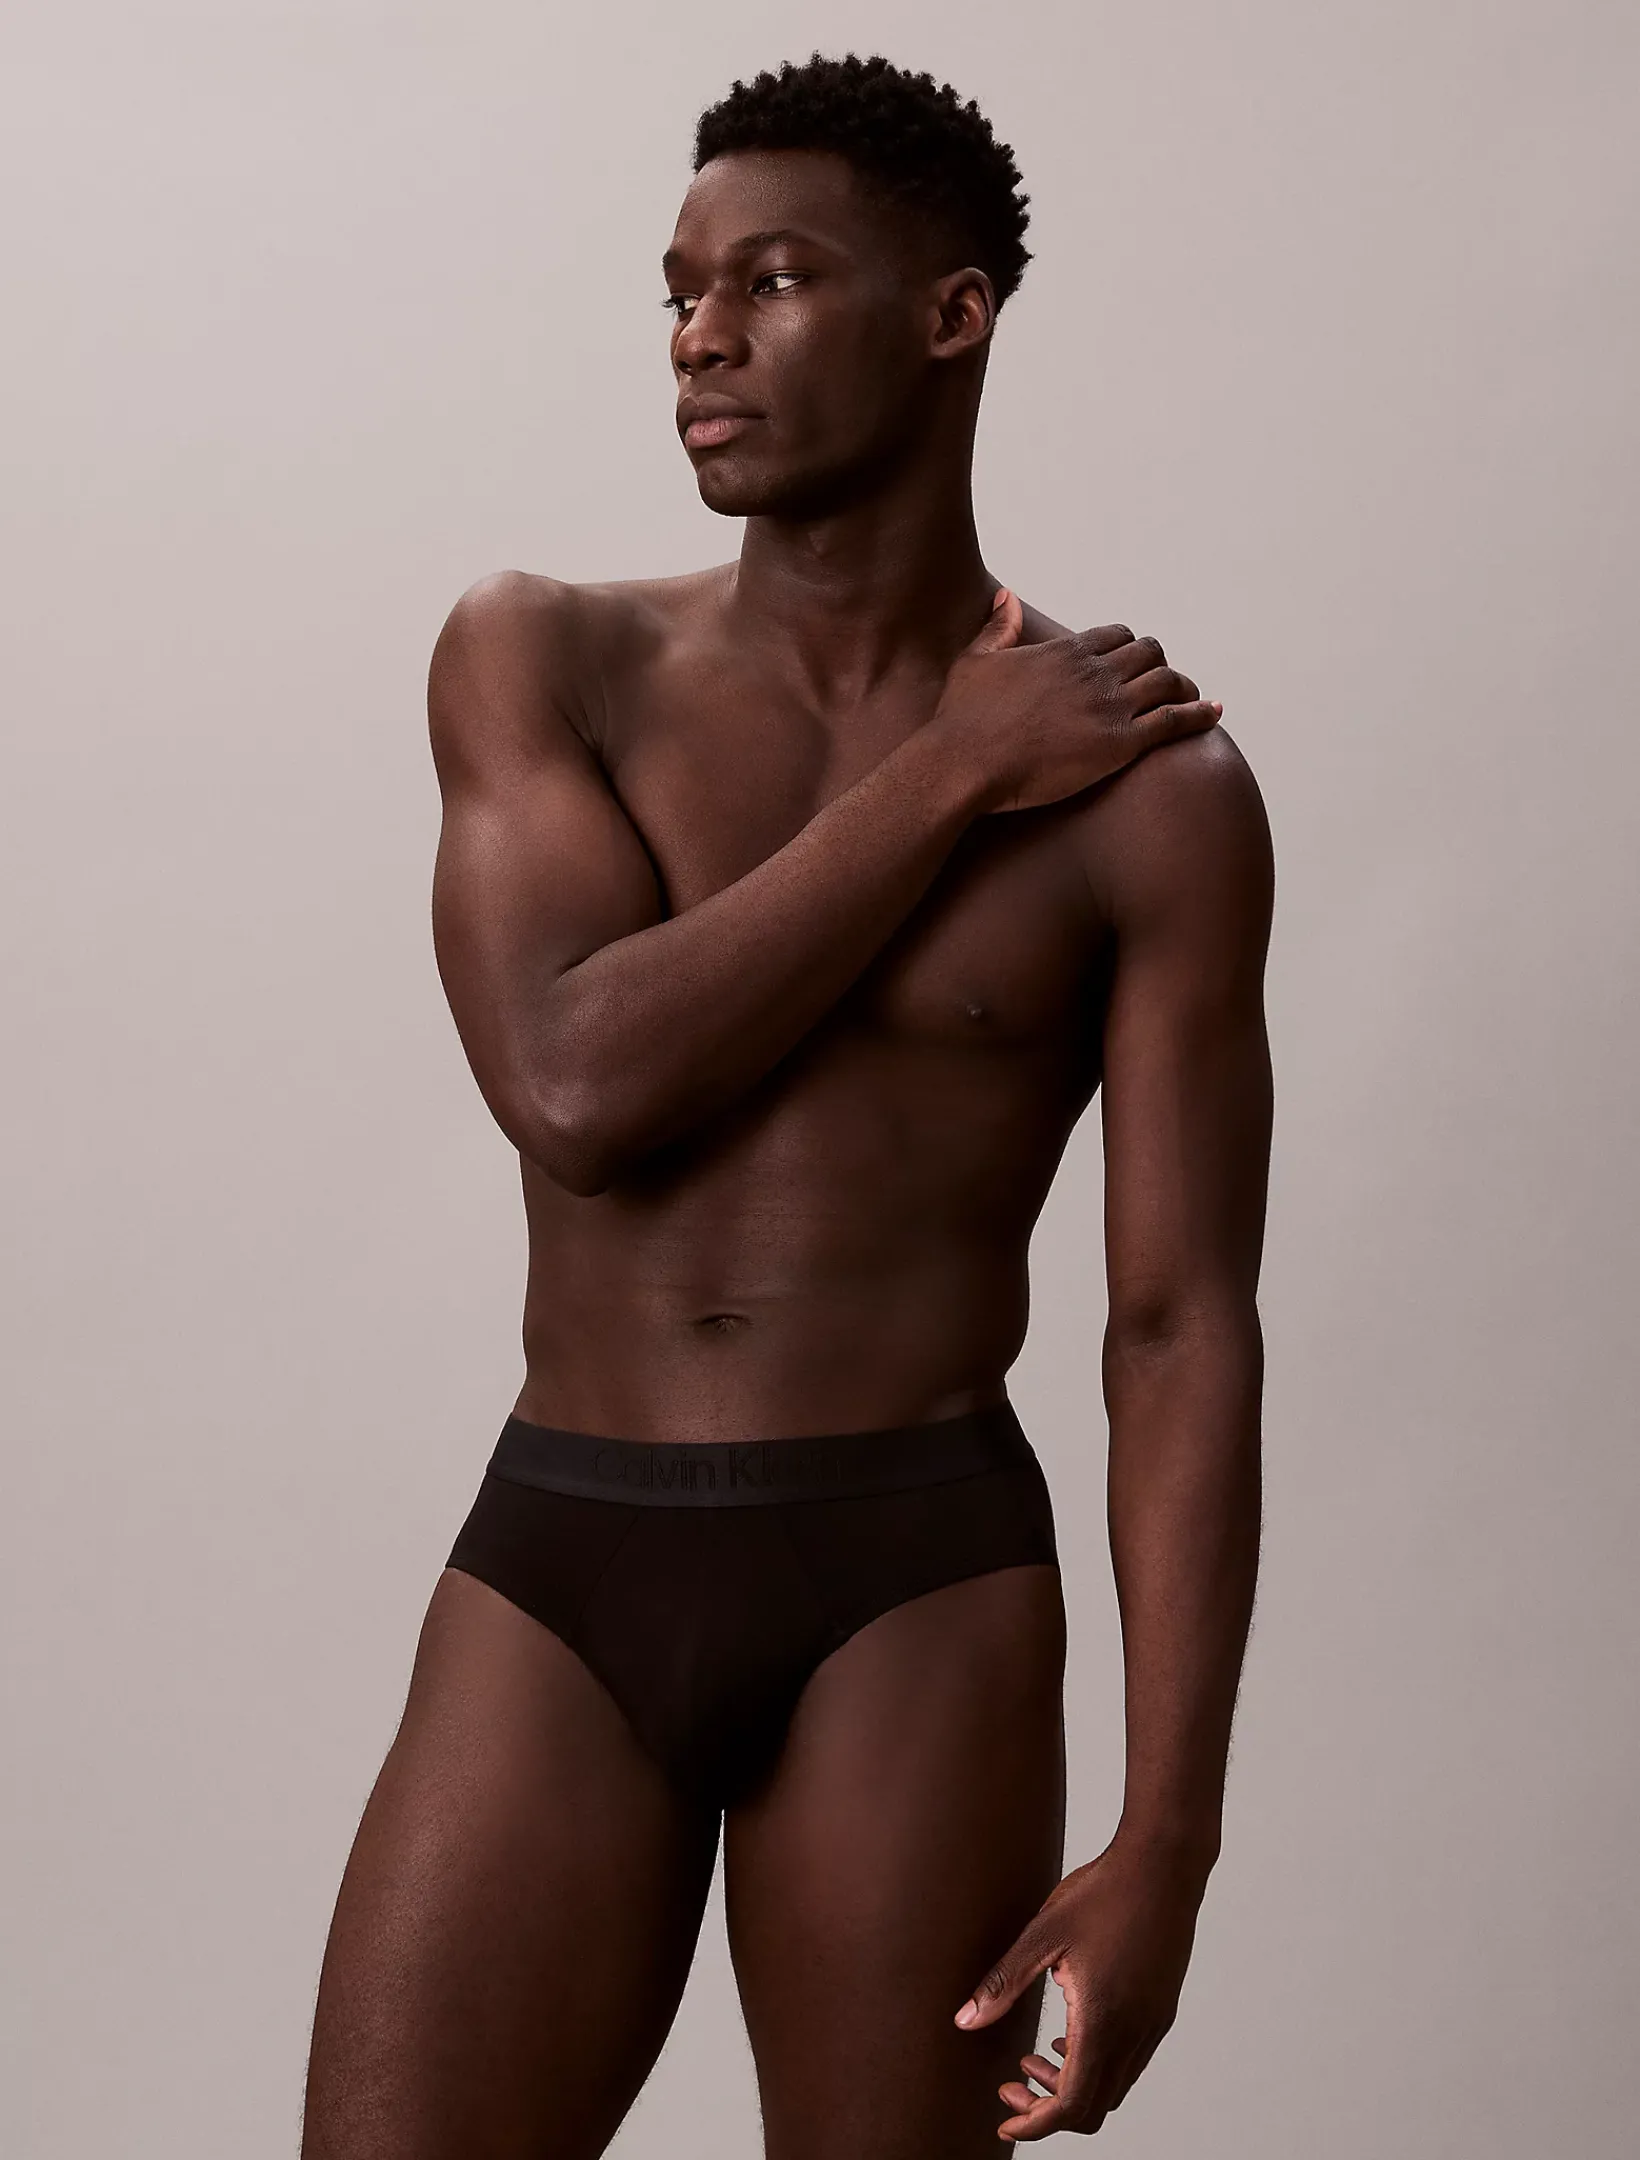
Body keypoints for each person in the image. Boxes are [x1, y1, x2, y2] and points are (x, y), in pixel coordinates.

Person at [302, 51, 1273, 2159]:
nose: (700, 337)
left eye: (773, 278)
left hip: (916, 1580)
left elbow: (1180, 1324)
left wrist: (1168, 1844)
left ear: (951, 315)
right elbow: (576, 1081)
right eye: (679, 291)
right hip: (568, 1548)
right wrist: (952, 769)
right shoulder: (544, 660)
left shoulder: (1155, 793)